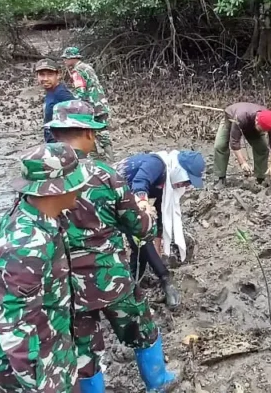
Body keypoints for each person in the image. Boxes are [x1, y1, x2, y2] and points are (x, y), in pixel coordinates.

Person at [45, 102, 178, 393]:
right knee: (142, 328)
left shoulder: (41, 181)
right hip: (110, 275)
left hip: (66, 284)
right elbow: (141, 228)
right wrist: (147, 213)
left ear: (55, 133)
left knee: (82, 352)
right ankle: (158, 382)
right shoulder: (104, 175)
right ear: (88, 134)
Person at [0, 143, 91, 393]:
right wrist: (43, 384)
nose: (81, 187)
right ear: (54, 190)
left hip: (52, 343)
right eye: (74, 183)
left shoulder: (37, 215)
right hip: (36, 365)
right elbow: (16, 328)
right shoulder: (28, 246)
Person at [118, 148, 206, 308]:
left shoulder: (165, 187)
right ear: (180, 170)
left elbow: (160, 219)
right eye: (187, 180)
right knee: (140, 237)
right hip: (110, 193)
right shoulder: (157, 164)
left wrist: (157, 253)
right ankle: (163, 280)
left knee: (142, 242)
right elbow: (140, 181)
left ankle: (134, 280)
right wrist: (143, 201)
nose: (185, 185)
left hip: (126, 196)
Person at [60, 47, 112, 158]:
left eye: (66, 58)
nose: (64, 61)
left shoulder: (76, 71)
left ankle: (97, 157)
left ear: (72, 58)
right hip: (101, 103)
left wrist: (73, 106)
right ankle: (108, 156)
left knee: (89, 131)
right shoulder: (87, 67)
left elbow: (81, 92)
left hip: (91, 106)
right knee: (103, 130)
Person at [213, 102, 271, 186]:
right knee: (220, 145)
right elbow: (234, 142)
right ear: (256, 121)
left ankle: (260, 178)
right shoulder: (240, 116)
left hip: (252, 127)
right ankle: (220, 178)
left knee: (262, 148)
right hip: (231, 119)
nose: (263, 132)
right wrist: (243, 163)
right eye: (262, 130)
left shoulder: (270, 121)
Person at [37, 59, 76, 144]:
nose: (45, 79)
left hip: (62, 146)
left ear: (58, 75)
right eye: (42, 75)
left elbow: (79, 112)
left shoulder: (61, 93)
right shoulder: (51, 91)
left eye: (50, 75)